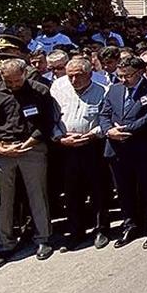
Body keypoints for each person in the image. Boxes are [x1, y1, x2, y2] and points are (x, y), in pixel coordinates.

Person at [0, 58, 58, 269]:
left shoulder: (39, 90)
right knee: (2, 199)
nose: (13, 85)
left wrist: (29, 143)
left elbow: (47, 121)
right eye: (9, 81)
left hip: (32, 146)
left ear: (25, 74)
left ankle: (43, 239)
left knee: (37, 194)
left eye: (17, 80)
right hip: (0, 149)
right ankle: (5, 244)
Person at [100, 56, 147, 250]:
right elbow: (104, 114)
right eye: (120, 76)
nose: (123, 79)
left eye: (127, 76)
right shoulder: (114, 89)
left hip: (142, 147)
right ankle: (130, 225)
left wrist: (127, 129)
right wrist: (109, 131)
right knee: (124, 190)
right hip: (116, 148)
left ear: (139, 73)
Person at [50, 57, 111, 251]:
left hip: (92, 145)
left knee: (98, 189)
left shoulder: (103, 90)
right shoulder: (58, 88)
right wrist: (60, 138)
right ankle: (76, 231)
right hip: (67, 147)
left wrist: (92, 135)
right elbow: (51, 119)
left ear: (90, 74)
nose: (74, 80)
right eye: (71, 76)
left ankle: (101, 229)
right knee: (72, 191)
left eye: (79, 76)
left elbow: (106, 119)